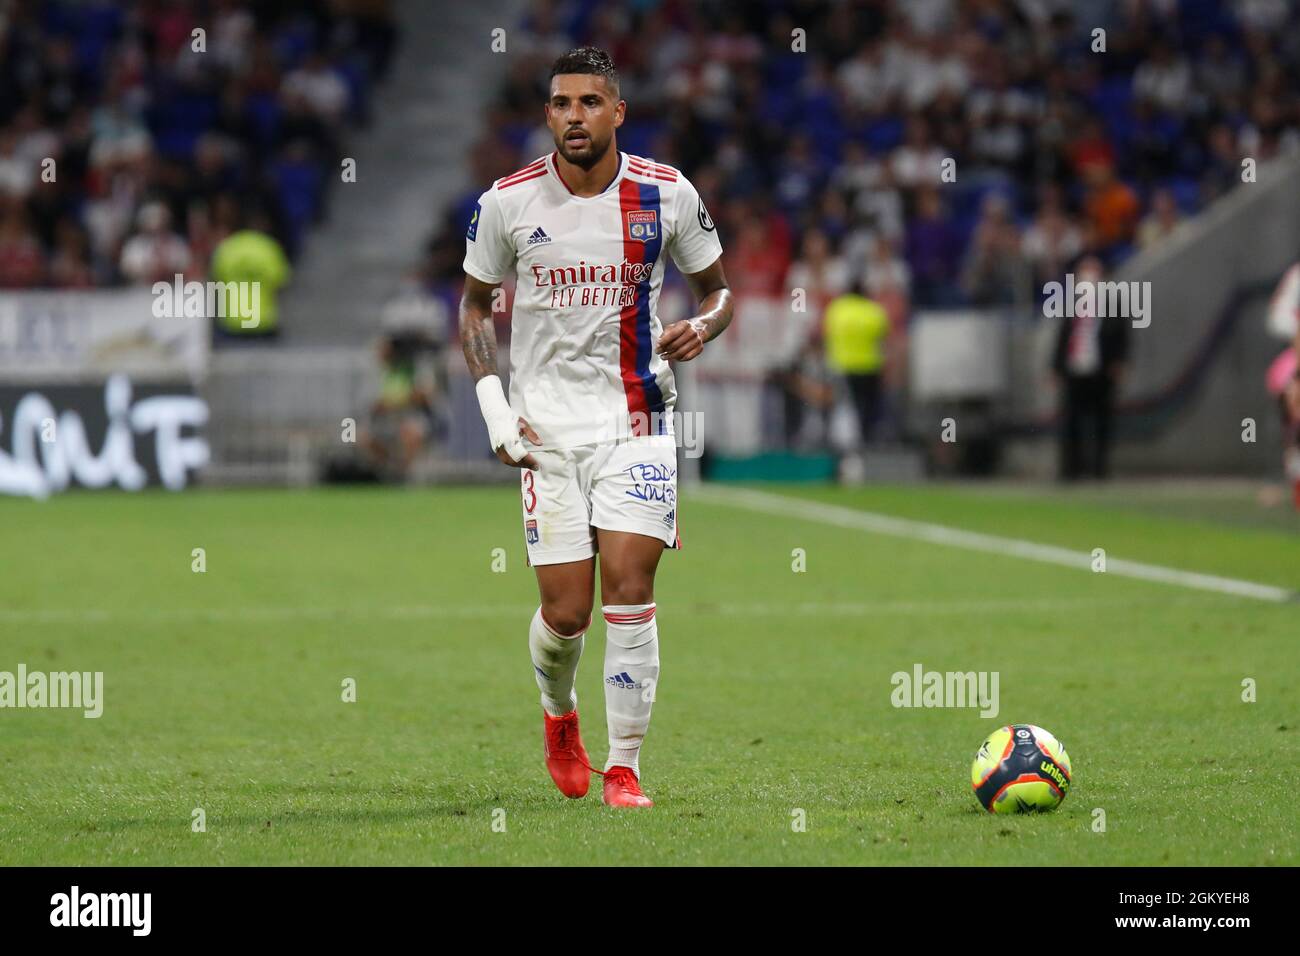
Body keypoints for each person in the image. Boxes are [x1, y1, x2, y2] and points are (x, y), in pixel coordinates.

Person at [458, 48, 731, 809]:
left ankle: (625, 769)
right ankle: (558, 715)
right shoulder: (508, 203)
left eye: (588, 102)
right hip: (545, 434)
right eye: (559, 103)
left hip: (636, 419)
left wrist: (702, 329)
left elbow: (719, 292)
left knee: (631, 587)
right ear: (548, 114)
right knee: (567, 613)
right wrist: (494, 410)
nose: (573, 115)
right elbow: (475, 307)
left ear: (617, 112)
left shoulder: (667, 193)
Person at [1051, 257, 1130, 480]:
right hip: (1075, 369)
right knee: (1071, 421)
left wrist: (1119, 361)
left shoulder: (1114, 304)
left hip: (1101, 370)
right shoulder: (1072, 304)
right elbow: (1063, 337)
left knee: (1102, 421)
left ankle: (1099, 470)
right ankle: (1070, 470)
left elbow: (1121, 336)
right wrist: (1056, 367)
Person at [823, 281, 889, 446]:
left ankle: (845, 444)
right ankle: (867, 440)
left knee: (845, 408)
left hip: (842, 367)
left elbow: (827, 334)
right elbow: (883, 336)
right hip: (869, 367)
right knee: (867, 408)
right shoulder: (874, 310)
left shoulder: (836, 309)